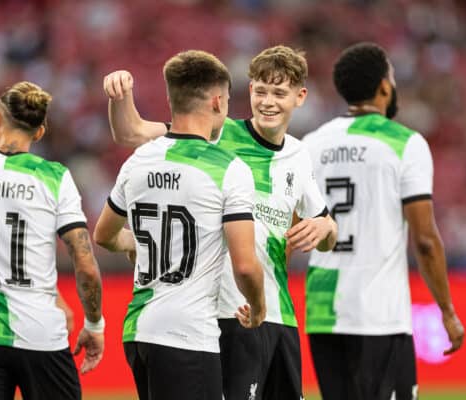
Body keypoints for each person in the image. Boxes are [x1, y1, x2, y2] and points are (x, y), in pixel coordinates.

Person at [103, 45, 337, 400]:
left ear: (300, 96)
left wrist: (325, 229)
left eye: (279, 92)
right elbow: (132, 132)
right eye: (260, 91)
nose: (268, 102)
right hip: (232, 312)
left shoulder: (299, 154)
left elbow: (328, 231)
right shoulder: (217, 133)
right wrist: (120, 95)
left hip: (281, 315)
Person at [94, 49, 266, 400]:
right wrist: (259, 307)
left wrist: (135, 243)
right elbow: (246, 265)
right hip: (188, 334)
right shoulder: (228, 168)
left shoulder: (139, 160)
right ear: (218, 101)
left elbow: (103, 234)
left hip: (138, 332)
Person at [302, 42, 465, 400]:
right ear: (384, 86)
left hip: (321, 310)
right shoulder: (405, 143)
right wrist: (447, 311)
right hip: (377, 312)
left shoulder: (311, 145)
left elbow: (295, 229)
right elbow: (424, 239)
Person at [0, 81, 104, 400]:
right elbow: (85, 264)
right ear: (39, 133)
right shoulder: (55, 177)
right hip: (41, 335)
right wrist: (94, 324)